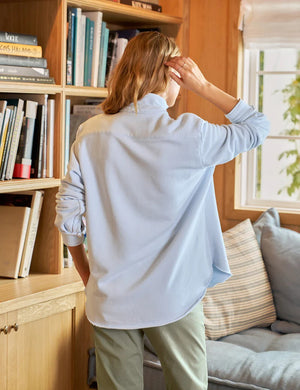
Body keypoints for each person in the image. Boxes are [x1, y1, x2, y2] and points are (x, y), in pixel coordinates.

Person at [55, 31, 269, 390]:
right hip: (175, 296)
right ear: (172, 75)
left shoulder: (89, 134)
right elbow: (257, 127)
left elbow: (68, 219)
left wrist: (88, 276)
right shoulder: (191, 135)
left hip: (111, 296)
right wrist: (204, 86)